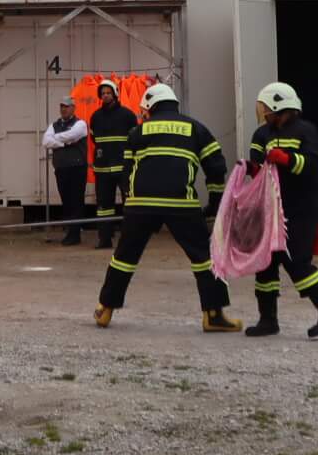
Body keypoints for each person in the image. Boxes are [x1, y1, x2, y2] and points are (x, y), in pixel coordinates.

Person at [94, 85, 241, 333]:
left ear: (150, 107)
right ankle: (214, 316)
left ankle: (104, 308)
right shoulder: (196, 128)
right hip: (181, 203)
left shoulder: (138, 131)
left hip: (141, 205)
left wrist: (131, 199)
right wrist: (215, 203)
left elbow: (126, 171)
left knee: (124, 257)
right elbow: (216, 167)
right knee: (204, 259)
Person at [243, 82, 318, 338]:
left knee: (296, 260)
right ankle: (268, 320)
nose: (263, 112)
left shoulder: (306, 131)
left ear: (279, 106)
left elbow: (314, 165)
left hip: (301, 207)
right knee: (265, 263)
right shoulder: (261, 134)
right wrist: (249, 168)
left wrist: (288, 159)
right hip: (271, 207)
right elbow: (259, 167)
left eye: (266, 107)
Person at [88, 80, 137, 251]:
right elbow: (94, 139)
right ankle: (105, 239)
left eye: (108, 93)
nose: (105, 96)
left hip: (124, 168)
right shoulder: (95, 117)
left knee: (129, 205)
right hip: (102, 169)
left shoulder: (128, 115)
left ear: (115, 94)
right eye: (103, 93)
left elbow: (134, 139)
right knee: (103, 206)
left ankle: (130, 240)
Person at [41, 97, 90, 245]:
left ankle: (74, 235)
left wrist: (56, 139)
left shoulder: (80, 124)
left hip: (77, 168)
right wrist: (64, 143)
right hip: (61, 168)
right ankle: (71, 232)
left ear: (73, 108)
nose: (64, 109)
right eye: (62, 106)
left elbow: (73, 135)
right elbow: (46, 142)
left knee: (76, 201)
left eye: (67, 106)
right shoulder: (54, 125)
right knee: (66, 201)